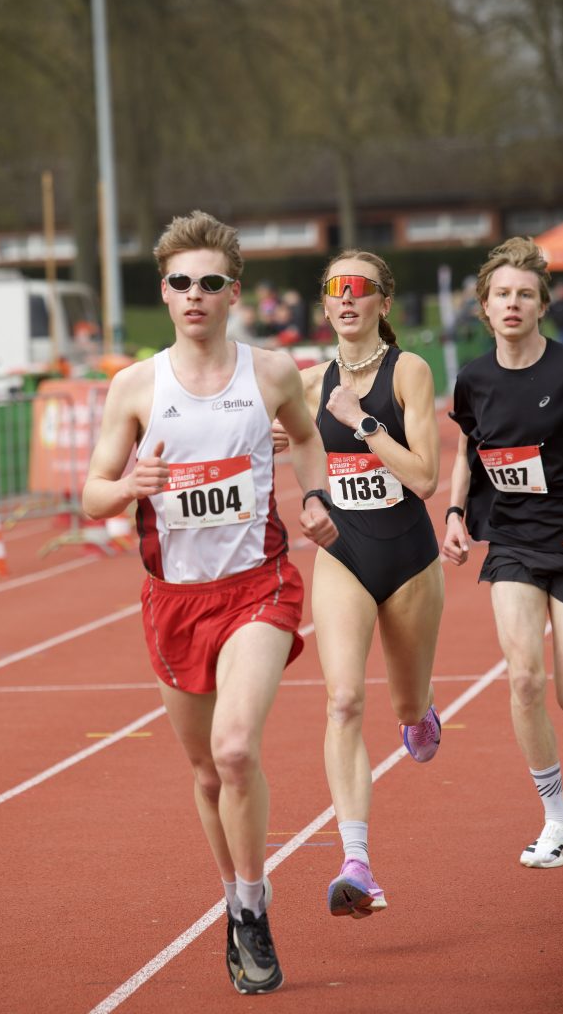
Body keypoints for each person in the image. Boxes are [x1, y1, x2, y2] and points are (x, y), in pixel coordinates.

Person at [82, 210, 337, 994]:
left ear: (235, 294)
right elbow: (92, 495)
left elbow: (307, 436)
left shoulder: (269, 374)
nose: (196, 295)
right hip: (173, 600)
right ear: (164, 293)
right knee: (203, 771)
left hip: (257, 588)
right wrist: (129, 486)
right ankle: (233, 898)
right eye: (181, 282)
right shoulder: (134, 385)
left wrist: (317, 495)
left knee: (233, 749)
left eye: (211, 283)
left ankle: (253, 909)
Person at [274, 249, 444, 918]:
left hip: (407, 557)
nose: (346, 298)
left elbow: (426, 478)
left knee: (403, 713)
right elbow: (271, 439)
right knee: (342, 701)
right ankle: (356, 863)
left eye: (359, 289)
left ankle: (421, 709)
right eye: (334, 289)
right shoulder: (306, 380)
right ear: (323, 305)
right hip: (343, 555)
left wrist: (362, 421)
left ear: (382, 301)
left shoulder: (410, 372)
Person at [442, 236, 563, 870]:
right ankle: (555, 817)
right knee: (524, 677)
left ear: (542, 305)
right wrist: (458, 512)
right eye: (501, 295)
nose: (512, 304)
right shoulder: (473, 378)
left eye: (524, 294)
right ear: (485, 309)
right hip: (514, 540)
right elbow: (469, 449)